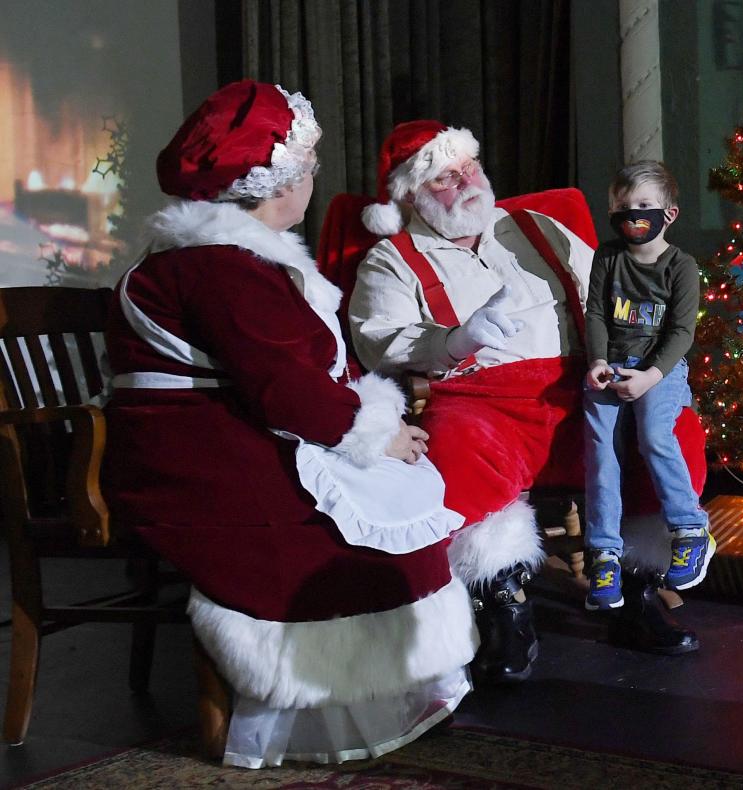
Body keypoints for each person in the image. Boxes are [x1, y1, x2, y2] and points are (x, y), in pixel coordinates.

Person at [101, 81, 475, 769]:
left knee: (396, 492)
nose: (312, 182)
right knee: (341, 528)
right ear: (283, 181)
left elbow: (292, 377)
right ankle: (289, 713)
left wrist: (368, 428)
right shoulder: (222, 267)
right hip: (191, 462)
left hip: (214, 437)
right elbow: (286, 387)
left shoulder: (230, 258)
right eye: (308, 170)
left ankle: (387, 687)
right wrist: (375, 432)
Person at [342, 122, 705, 673]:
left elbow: (613, 298)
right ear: (413, 194)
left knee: (673, 433)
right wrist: (454, 339)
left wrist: (652, 370)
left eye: (470, 168)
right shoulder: (393, 260)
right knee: (460, 447)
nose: (467, 183)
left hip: (584, 386)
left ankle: (638, 591)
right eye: (446, 177)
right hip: (483, 398)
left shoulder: (535, 227)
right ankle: (502, 605)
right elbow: (377, 343)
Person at [581, 161, 714, 612]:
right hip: (613, 364)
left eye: (643, 206)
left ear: (668, 214)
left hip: (660, 368)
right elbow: (596, 313)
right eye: (622, 207)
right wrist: (599, 361)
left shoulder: (681, 265)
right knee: (601, 446)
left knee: (654, 433)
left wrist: (651, 377)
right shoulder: (608, 257)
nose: (631, 214)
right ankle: (603, 554)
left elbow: (681, 332)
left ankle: (689, 528)